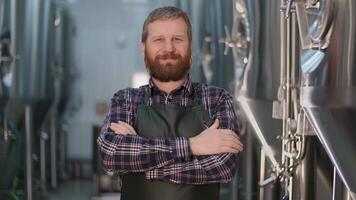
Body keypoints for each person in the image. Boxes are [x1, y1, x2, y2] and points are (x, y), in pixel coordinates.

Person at [97, 6, 243, 200]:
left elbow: (224, 167)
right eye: (159, 40)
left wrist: (148, 168)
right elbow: (111, 153)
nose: (169, 48)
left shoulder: (216, 99)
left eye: (178, 39)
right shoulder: (125, 100)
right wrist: (192, 146)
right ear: (143, 46)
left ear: (190, 45)